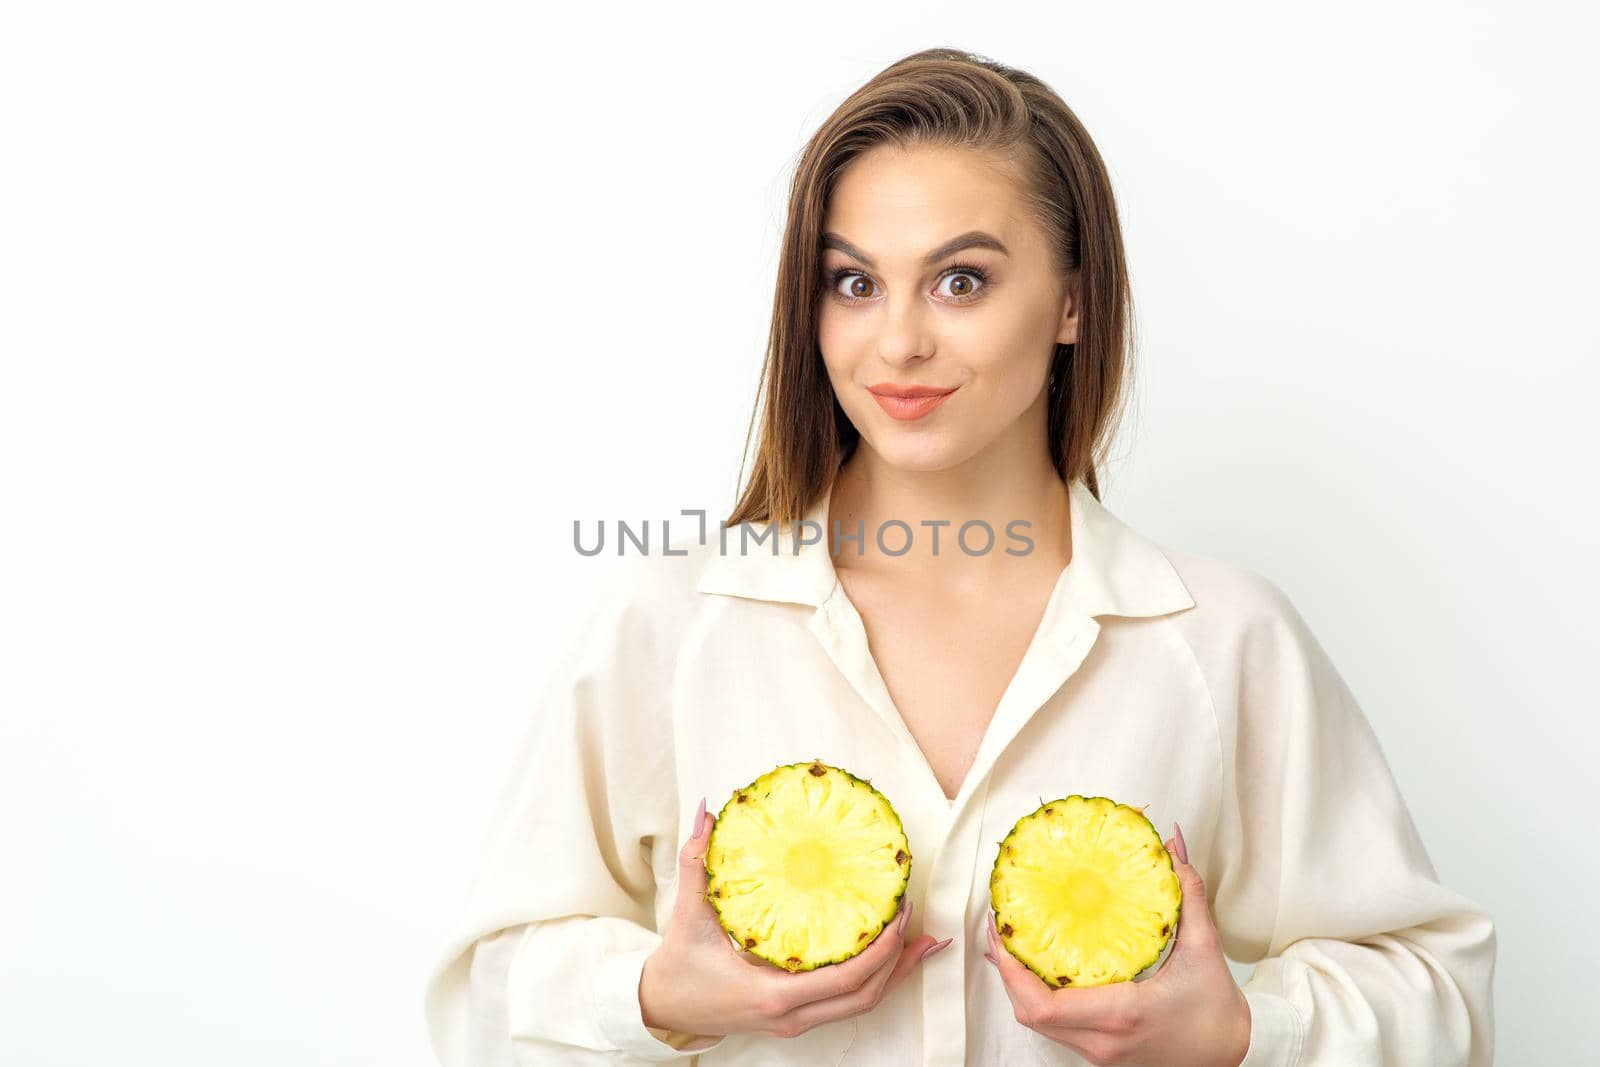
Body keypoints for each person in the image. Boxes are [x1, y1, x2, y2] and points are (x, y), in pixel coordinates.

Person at [422, 47, 1496, 1066]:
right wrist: (655, 996)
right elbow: (480, 994)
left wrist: (1242, 1030)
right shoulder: (670, 623)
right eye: (852, 283)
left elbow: (1438, 989)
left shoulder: (1219, 638)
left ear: (1072, 300)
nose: (896, 342)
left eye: (960, 281)